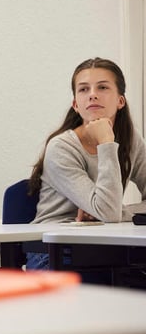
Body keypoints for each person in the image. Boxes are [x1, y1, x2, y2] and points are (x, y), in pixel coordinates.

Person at [26, 57, 146, 269]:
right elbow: (108, 213)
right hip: (55, 253)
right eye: (83, 90)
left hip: (109, 248)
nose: (92, 94)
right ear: (76, 105)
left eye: (102, 87)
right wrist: (107, 143)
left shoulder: (131, 139)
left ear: (120, 100)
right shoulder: (61, 147)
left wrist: (121, 212)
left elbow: (108, 213)